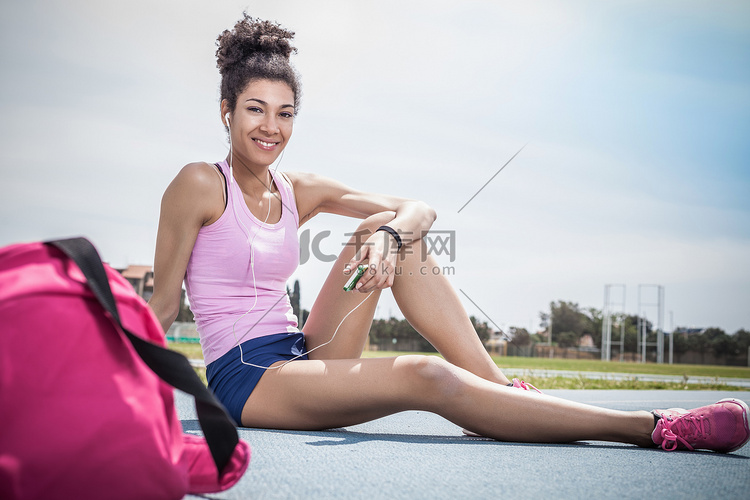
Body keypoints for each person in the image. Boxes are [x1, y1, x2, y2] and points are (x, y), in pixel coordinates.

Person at [148, 13, 749, 453]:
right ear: (226, 110)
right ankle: (651, 427)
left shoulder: (296, 189)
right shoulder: (201, 183)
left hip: (303, 352)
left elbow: (418, 207)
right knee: (425, 375)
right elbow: (166, 301)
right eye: (255, 109)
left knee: (390, 230)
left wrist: (387, 238)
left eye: (284, 113)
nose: (271, 128)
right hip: (245, 379)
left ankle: (498, 390)